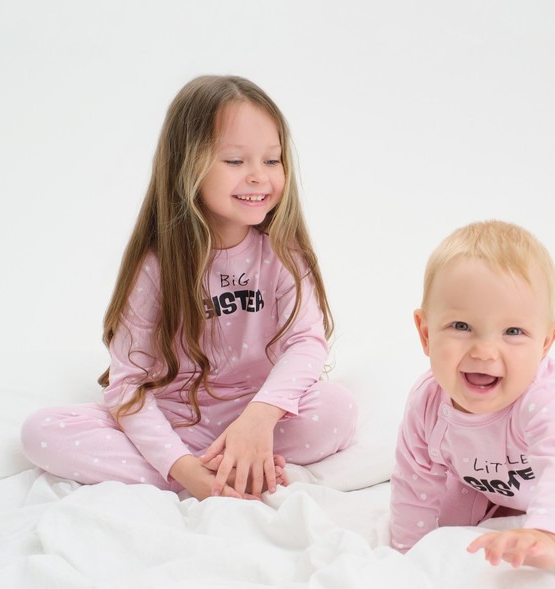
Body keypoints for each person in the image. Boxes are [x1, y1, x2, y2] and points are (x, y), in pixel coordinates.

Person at [21, 75, 357, 500]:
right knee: (41, 433)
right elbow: (128, 385)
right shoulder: (155, 266)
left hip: (256, 413)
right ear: (186, 165)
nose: (259, 176)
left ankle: (239, 453)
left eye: (272, 160)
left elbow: (306, 343)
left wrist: (260, 417)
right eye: (235, 161)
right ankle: (212, 469)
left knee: (337, 410)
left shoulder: (283, 254)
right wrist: (184, 469)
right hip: (173, 418)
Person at [389, 220, 555, 569]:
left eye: (513, 331)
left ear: (545, 343)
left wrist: (548, 532)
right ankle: (506, 510)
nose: (484, 351)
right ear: (425, 334)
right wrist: (405, 555)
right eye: (461, 326)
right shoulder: (426, 404)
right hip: (482, 482)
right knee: (447, 528)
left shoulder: (549, 402)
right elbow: (414, 484)